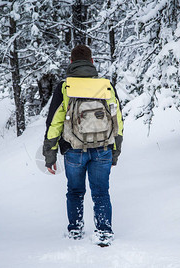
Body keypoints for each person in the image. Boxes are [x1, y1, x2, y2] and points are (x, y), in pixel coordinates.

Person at [43, 45, 124, 246]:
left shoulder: (65, 86)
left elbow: (54, 122)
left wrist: (50, 154)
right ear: (92, 62)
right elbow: (118, 119)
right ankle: (104, 232)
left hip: (74, 151)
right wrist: (116, 151)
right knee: (101, 193)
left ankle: (75, 231)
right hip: (103, 148)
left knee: (75, 192)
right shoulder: (105, 86)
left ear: (71, 62)